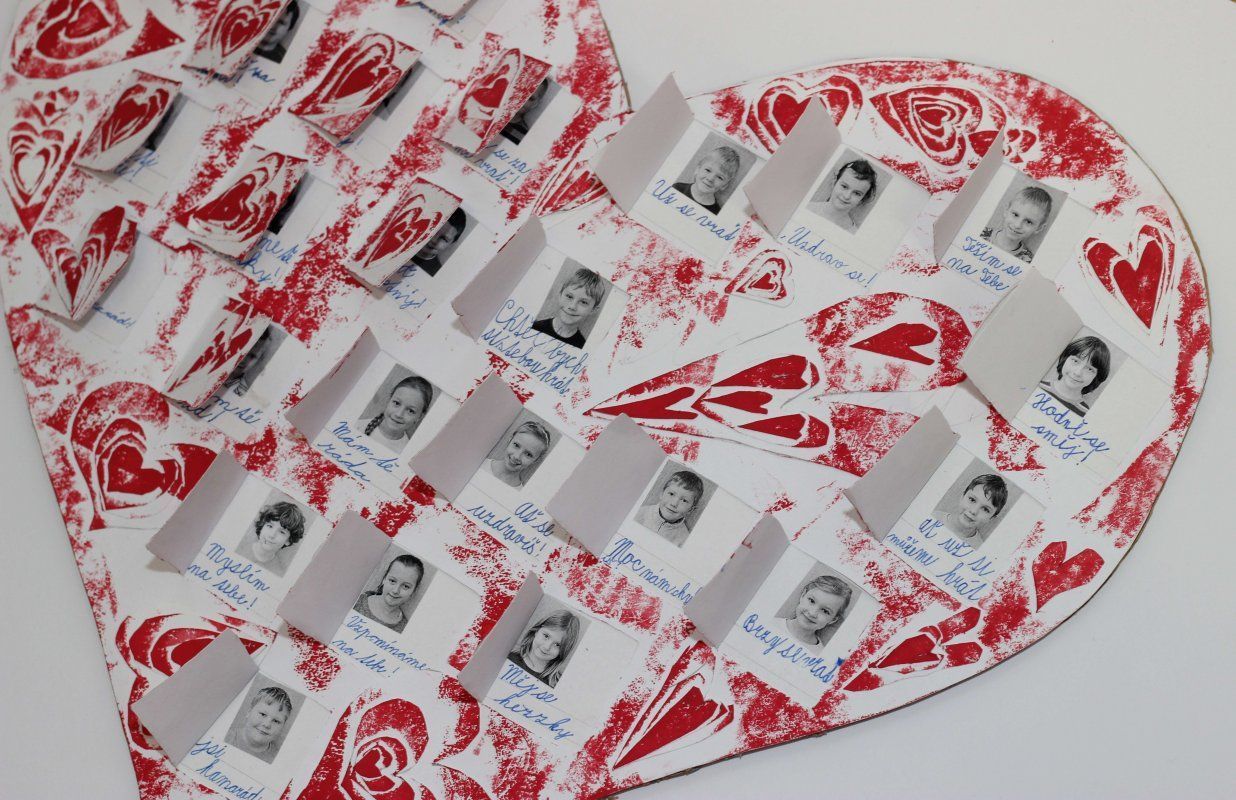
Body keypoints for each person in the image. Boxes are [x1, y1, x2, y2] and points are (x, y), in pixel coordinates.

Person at [531, 267, 606, 349]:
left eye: (583, 302)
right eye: (569, 296)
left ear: (593, 310)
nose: (572, 306)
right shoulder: (535, 327)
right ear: (560, 295)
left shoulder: (582, 347)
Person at [1039, 335, 1111, 417]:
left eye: (1090, 369)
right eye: (1075, 361)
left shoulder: (1085, 414)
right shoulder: (1038, 386)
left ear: (1096, 377)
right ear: (1065, 359)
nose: (1077, 373)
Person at [360, 375, 433, 452]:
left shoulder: (407, 452)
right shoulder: (358, 426)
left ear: (419, 417)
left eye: (410, 411)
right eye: (397, 403)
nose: (399, 414)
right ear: (389, 401)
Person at [353, 554, 425, 633]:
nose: (395, 591)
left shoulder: (405, 630)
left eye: (405, 586)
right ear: (384, 579)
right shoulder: (355, 602)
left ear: (413, 591)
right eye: (392, 581)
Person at [508, 609, 580, 688]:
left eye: (557, 645)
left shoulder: (556, 684)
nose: (547, 647)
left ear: (563, 651)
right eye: (546, 636)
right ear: (536, 631)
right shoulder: (508, 657)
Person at [981, 185, 1053, 263]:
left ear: (1039, 228)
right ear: (1006, 210)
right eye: (1015, 215)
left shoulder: (1027, 261)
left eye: (1028, 222)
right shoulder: (981, 233)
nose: (1017, 225)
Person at [778, 574, 853, 650]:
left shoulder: (819, 652)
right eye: (811, 601)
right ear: (803, 595)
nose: (812, 613)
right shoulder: (773, 622)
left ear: (833, 620)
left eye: (825, 611)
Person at [633, 470, 704, 547]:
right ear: (662, 494)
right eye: (671, 494)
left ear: (690, 510)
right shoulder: (639, 513)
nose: (674, 504)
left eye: (684, 500)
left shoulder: (683, 539)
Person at [234, 500, 305, 577]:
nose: (272, 535)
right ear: (262, 526)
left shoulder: (278, 571)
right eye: (270, 526)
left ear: (288, 540)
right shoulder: (239, 548)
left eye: (282, 532)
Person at [806, 158, 878, 233]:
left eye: (857, 193)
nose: (847, 196)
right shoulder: (808, 208)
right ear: (834, 183)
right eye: (844, 186)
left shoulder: (852, 232)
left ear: (862, 200)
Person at [940, 474, 1008, 546]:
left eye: (985, 509)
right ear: (962, 496)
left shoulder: (978, 547)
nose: (973, 511)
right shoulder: (934, 515)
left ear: (991, 518)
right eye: (972, 500)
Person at [672, 145, 740, 215]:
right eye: (708, 170)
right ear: (698, 169)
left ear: (724, 185)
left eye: (720, 177)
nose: (710, 179)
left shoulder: (716, 212)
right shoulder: (677, 188)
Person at [231, 685, 292, 762]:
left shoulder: (279, 759)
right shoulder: (227, 737)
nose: (267, 724)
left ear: (283, 726)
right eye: (263, 714)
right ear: (249, 712)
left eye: (276, 721)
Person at [488, 420, 552, 488]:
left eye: (528, 454)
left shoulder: (520, 492)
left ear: (536, 460)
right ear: (510, 440)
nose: (517, 456)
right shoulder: (481, 462)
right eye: (516, 445)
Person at [407, 208, 467, 277]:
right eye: (433, 230)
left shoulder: (438, 273)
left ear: (451, 244)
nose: (434, 240)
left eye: (444, 239)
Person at [222, 327, 274, 397]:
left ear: (258, 361)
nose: (243, 359)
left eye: (252, 356)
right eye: (242, 351)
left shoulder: (243, 393)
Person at [499, 79, 549, 145]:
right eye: (522, 92)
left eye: (530, 98)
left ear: (535, 104)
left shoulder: (525, 136)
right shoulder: (492, 116)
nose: (523, 100)